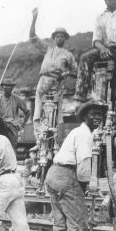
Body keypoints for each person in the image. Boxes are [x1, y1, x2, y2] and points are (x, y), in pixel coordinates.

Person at [44, 100, 107, 231]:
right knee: (77, 219)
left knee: (59, 220)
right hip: (66, 175)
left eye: (100, 115)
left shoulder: (77, 132)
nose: (97, 118)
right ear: (85, 116)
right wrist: (90, 186)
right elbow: (84, 167)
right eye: (93, 114)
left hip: (53, 174)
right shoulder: (85, 134)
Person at [29, 8, 78, 142]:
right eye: (57, 36)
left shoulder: (68, 55)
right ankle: (39, 140)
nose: (59, 38)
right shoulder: (47, 49)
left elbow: (77, 72)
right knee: (38, 109)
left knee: (56, 112)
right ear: (54, 38)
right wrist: (34, 18)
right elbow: (32, 37)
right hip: (43, 81)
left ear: (65, 38)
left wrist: (67, 73)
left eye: (62, 36)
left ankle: (56, 141)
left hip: (57, 83)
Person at [0, 78, 31, 150]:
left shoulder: (17, 99)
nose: (7, 88)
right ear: (3, 87)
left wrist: (23, 125)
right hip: (0, 126)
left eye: (10, 87)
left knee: (11, 149)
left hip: (13, 127)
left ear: (12, 88)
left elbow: (27, 112)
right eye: (6, 86)